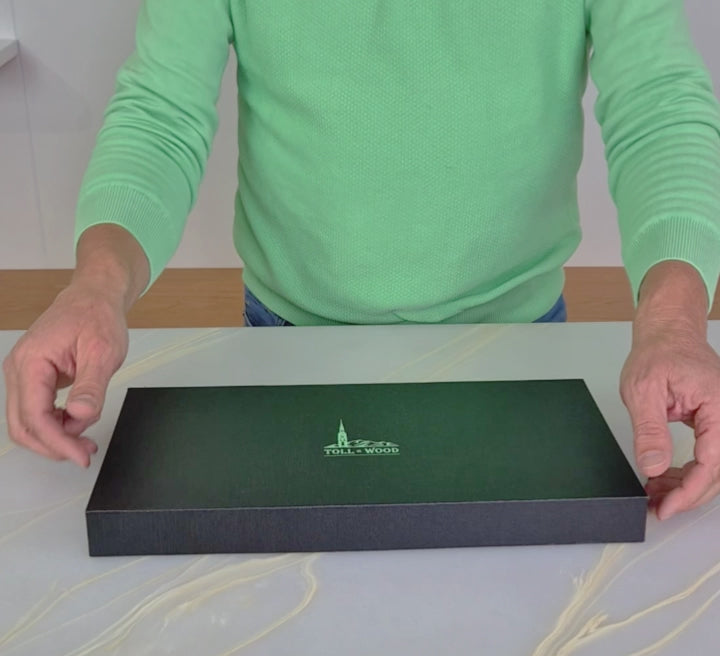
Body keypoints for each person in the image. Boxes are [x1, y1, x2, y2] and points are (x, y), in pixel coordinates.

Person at [3, 1, 720, 521]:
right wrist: (95, 288)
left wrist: (675, 322)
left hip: (520, 344)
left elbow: (656, 109)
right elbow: (163, 114)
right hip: (288, 343)